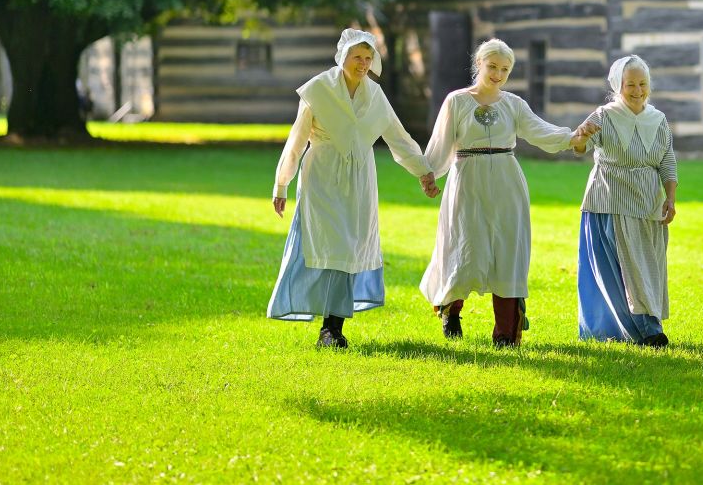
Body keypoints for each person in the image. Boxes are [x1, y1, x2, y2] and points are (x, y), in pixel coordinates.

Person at [268, 28, 439, 349]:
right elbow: (296, 141)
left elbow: (398, 138)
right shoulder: (318, 90)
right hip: (322, 177)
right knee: (330, 247)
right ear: (342, 57)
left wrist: (423, 171)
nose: (362, 63)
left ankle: (332, 327)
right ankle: (329, 329)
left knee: (349, 248)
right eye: (356, 57)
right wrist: (281, 183)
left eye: (367, 58)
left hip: (360, 179)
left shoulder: (375, 95)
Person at [420, 38, 583, 347]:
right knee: (465, 248)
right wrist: (428, 174)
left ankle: (506, 333)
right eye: (492, 66)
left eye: (504, 69)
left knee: (508, 253)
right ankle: (451, 312)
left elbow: (540, 131)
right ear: (479, 64)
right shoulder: (457, 101)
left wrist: (571, 137)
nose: (497, 74)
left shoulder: (513, 104)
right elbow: (440, 143)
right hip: (468, 179)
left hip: (507, 181)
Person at [571, 55, 677, 347]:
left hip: (647, 201)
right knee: (624, 266)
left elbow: (667, 159)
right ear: (618, 85)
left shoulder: (658, 119)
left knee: (647, 265)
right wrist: (581, 136)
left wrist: (670, 197)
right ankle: (647, 329)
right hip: (609, 200)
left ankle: (647, 323)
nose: (637, 90)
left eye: (642, 84)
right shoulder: (604, 115)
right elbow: (580, 146)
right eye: (630, 84)